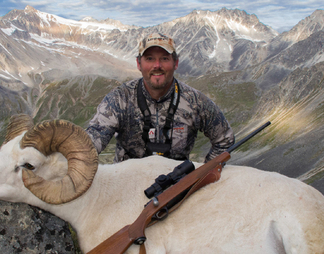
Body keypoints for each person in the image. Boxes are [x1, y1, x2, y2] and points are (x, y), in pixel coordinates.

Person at [86, 33, 234, 163]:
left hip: (175, 187)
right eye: (149, 59)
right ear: (139, 63)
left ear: (175, 63)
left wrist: (203, 176)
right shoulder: (119, 98)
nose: (157, 65)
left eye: (164, 58)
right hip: (126, 185)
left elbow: (225, 139)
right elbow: (93, 140)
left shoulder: (195, 101)